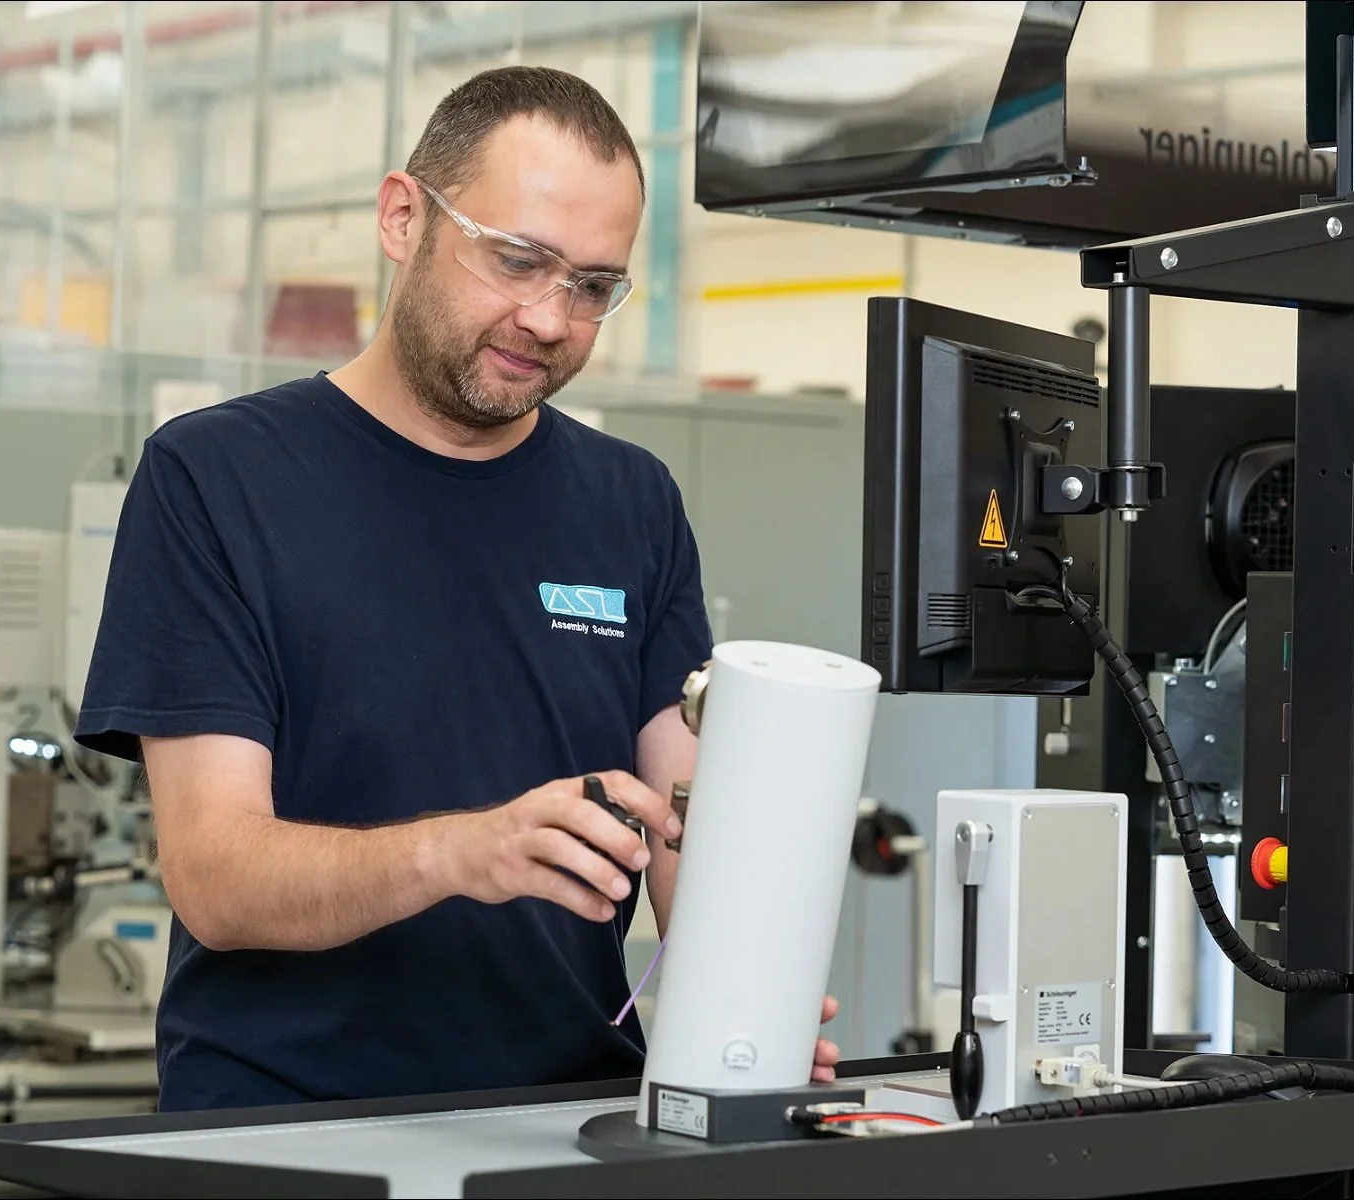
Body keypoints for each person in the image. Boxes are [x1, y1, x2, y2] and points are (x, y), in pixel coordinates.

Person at [75, 66, 841, 1112]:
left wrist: (752, 1010)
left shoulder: (632, 503)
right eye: (517, 259)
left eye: (591, 286)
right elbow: (215, 878)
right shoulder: (217, 479)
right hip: (287, 1136)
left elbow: (680, 830)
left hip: (566, 1121)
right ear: (403, 218)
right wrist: (462, 850)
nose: (548, 317)